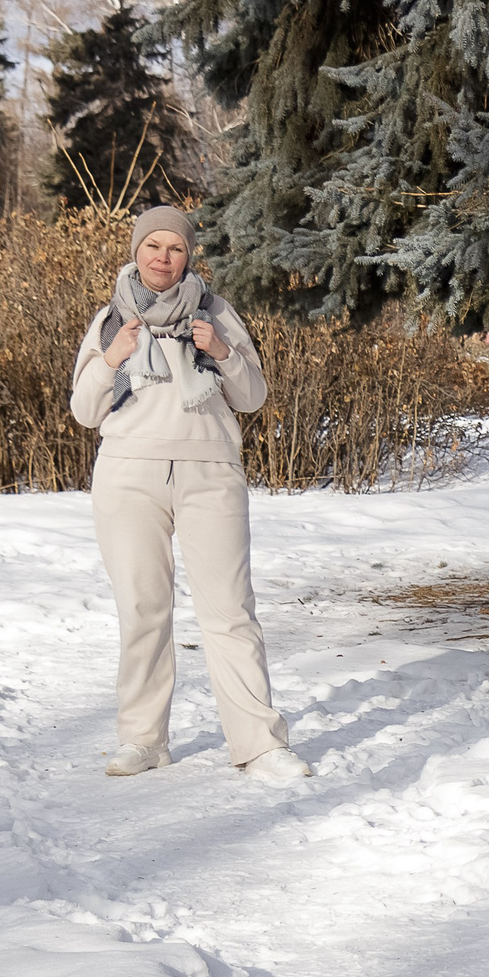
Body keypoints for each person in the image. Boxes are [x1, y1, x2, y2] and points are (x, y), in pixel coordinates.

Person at [68, 205, 312, 783]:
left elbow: (251, 396)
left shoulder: (217, 314)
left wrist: (223, 352)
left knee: (230, 612)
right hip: (128, 476)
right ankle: (143, 739)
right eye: (151, 245)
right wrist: (113, 359)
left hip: (210, 474)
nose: (162, 257)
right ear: (135, 252)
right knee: (143, 610)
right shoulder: (110, 321)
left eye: (174, 247)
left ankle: (260, 745)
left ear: (188, 256)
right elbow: (84, 410)